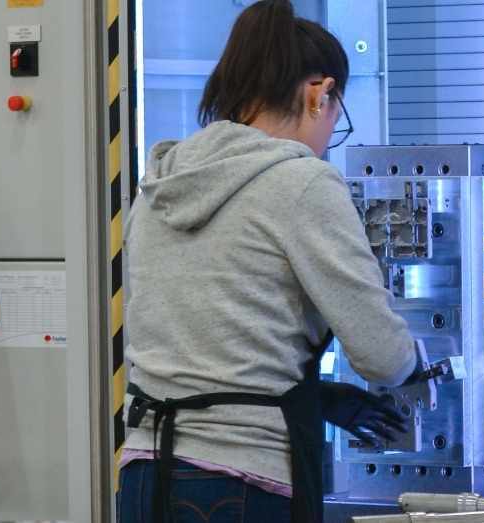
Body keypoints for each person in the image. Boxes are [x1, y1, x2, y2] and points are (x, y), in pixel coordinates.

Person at [119, 2, 420, 521]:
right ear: (318, 94)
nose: (330, 134)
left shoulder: (159, 185)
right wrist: (419, 364)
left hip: (144, 472)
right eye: (336, 113)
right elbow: (382, 356)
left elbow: (203, 341)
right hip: (237, 484)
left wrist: (318, 397)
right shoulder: (302, 183)